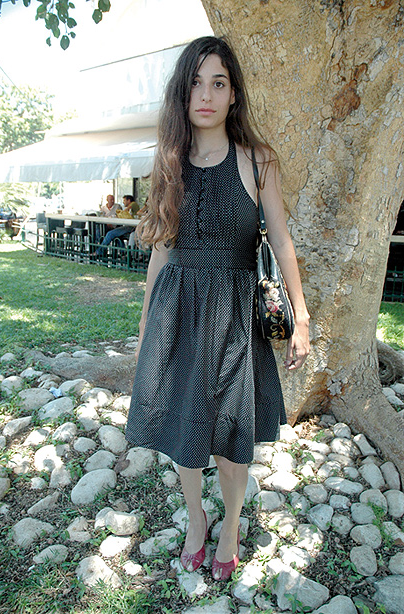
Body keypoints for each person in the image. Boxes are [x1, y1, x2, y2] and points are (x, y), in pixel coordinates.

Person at [125, 36, 310, 581]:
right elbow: (162, 249)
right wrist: (146, 326)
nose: (206, 95)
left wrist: (301, 317)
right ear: (183, 94)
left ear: (233, 95)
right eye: (196, 83)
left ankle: (230, 524)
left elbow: (281, 239)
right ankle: (195, 519)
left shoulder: (258, 160)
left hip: (235, 316)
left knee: (231, 434)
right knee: (184, 431)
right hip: (178, 313)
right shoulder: (169, 162)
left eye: (218, 83)